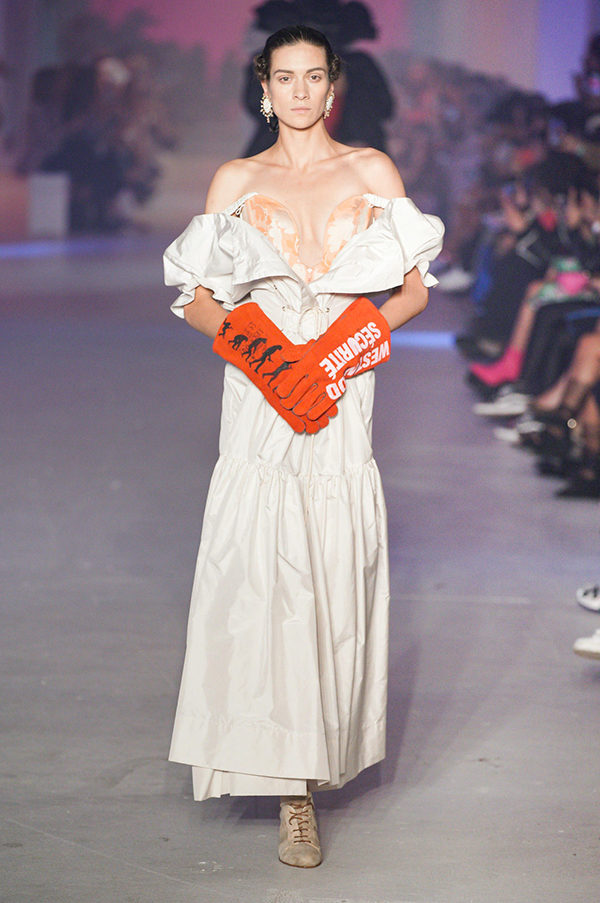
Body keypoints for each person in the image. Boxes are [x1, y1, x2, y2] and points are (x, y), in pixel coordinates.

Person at [163, 25, 444, 868]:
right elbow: (196, 296)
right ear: (264, 88)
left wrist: (335, 355)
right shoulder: (236, 179)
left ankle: (316, 756)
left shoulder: (371, 171)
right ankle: (292, 794)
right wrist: (269, 360)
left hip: (341, 387)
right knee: (265, 570)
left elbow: (414, 290)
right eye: (283, 77)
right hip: (261, 391)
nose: (298, 91)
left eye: (312, 77)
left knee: (329, 566)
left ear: (332, 88)